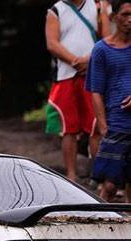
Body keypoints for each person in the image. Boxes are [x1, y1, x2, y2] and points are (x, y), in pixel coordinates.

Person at [46, 0, 111, 181]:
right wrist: (76, 60)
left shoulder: (98, 6)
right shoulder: (55, 10)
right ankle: (71, 175)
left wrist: (89, 60)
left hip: (94, 73)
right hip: (66, 75)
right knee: (69, 128)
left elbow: (106, 38)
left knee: (96, 126)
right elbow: (52, 43)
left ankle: (98, 175)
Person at [86, 0, 131, 201]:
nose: (130, 20)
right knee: (110, 183)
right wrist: (103, 127)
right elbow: (96, 91)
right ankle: (100, 222)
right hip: (117, 123)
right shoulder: (102, 50)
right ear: (114, 17)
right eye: (125, 14)